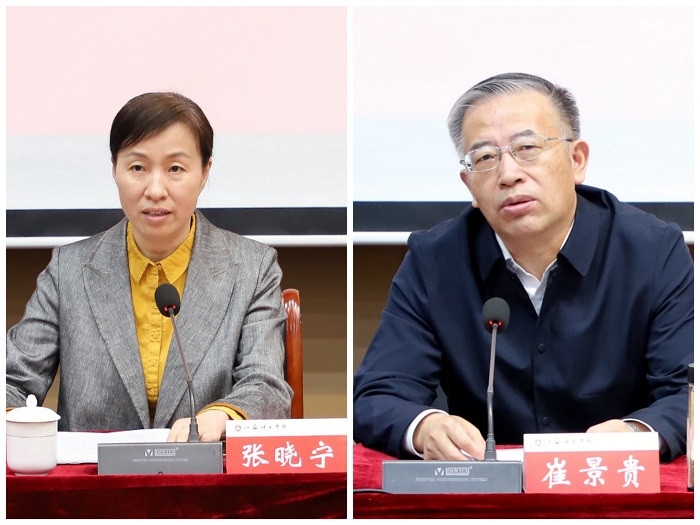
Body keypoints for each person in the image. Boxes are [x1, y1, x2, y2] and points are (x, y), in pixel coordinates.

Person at [353, 72, 693, 462]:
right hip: (487, 489)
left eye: (527, 148)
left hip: (613, 481)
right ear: (468, 185)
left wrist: (636, 433)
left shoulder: (653, 252)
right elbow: (378, 394)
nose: (508, 174)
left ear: (577, 160)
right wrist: (426, 427)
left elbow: (687, 393)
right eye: (485, 158)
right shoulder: (434, 260)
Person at [6, 92, 292, 442]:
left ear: (204, 173)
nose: (155, 190)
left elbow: (265, 385)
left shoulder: (253, 269)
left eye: (175, 169)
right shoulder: (68, 271)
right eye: (138, 168)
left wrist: (220, 416)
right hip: (94, 473)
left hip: (204, 469)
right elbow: (12, 380)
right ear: (115, 170)